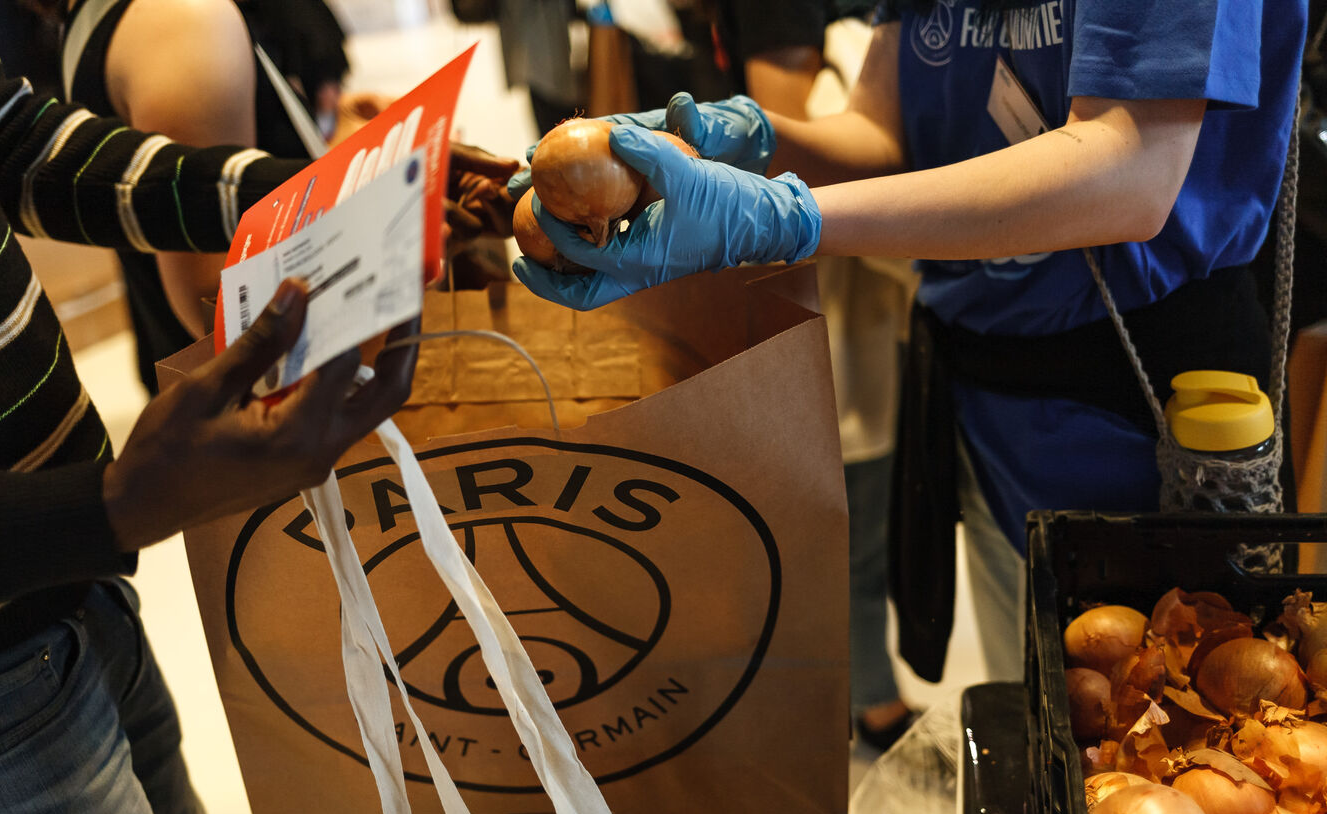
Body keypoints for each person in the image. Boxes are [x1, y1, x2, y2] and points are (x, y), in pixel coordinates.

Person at [511, 0, 1308, 684]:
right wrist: (753, 142)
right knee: (1027, 703)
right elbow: (883, 131)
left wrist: (789, 221)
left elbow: (1132, 165)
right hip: (988, 403)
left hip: (1143, 419)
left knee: (1150, 739)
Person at [0, 0, 422, 814]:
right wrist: (105, 505)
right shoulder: (185, 25)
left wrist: (323, 194)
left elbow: (12, 141)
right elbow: (208, 301)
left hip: (74, 587)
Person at [708, 0, 918, 749]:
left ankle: (856, 689)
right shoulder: (802, 39)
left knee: (841, 527)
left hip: (825, 313)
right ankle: (867, 698)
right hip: (836, 324)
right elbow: (800, 162)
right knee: (848, 531)